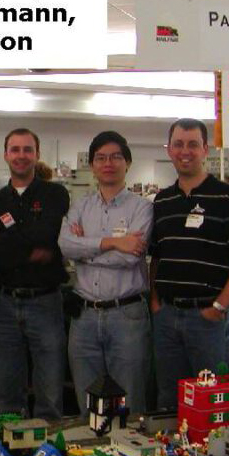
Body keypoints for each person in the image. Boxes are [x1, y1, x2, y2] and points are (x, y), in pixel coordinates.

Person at [149, 118, 229, 410]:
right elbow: (157, 257)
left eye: (193, 144)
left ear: (205, 149)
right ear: (169, 150)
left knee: (211, 404)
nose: (185, 151)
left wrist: (219, 307)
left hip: (207, 320)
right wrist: (156, 302)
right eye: (178, 144)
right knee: (168, 402)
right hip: (167, 318)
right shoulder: (162, 201)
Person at [0, 128, 69, 421]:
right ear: (5, 155)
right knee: (5, 392)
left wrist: (3, 243)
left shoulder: (55, 194)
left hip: (45, 303)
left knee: (50, 392)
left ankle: (49, 445)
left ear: (37, 154)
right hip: (3, 305)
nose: (21, 156)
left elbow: (47, 234)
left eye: (28, 149)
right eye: (15, 149)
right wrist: (29, 251)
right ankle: (11, 444)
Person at [59, 131, 153, 417]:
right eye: (100, 158)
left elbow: (129, 257)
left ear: (128, 163)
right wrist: (112, 242)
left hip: (127, 316)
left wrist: (85, 248)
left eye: (115, 157)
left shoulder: (143, 208)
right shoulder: (80, 206)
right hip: (84, 318)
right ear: (92, 165)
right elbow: (65, 245)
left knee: (130, 404)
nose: (108, 163)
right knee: (87, 405)